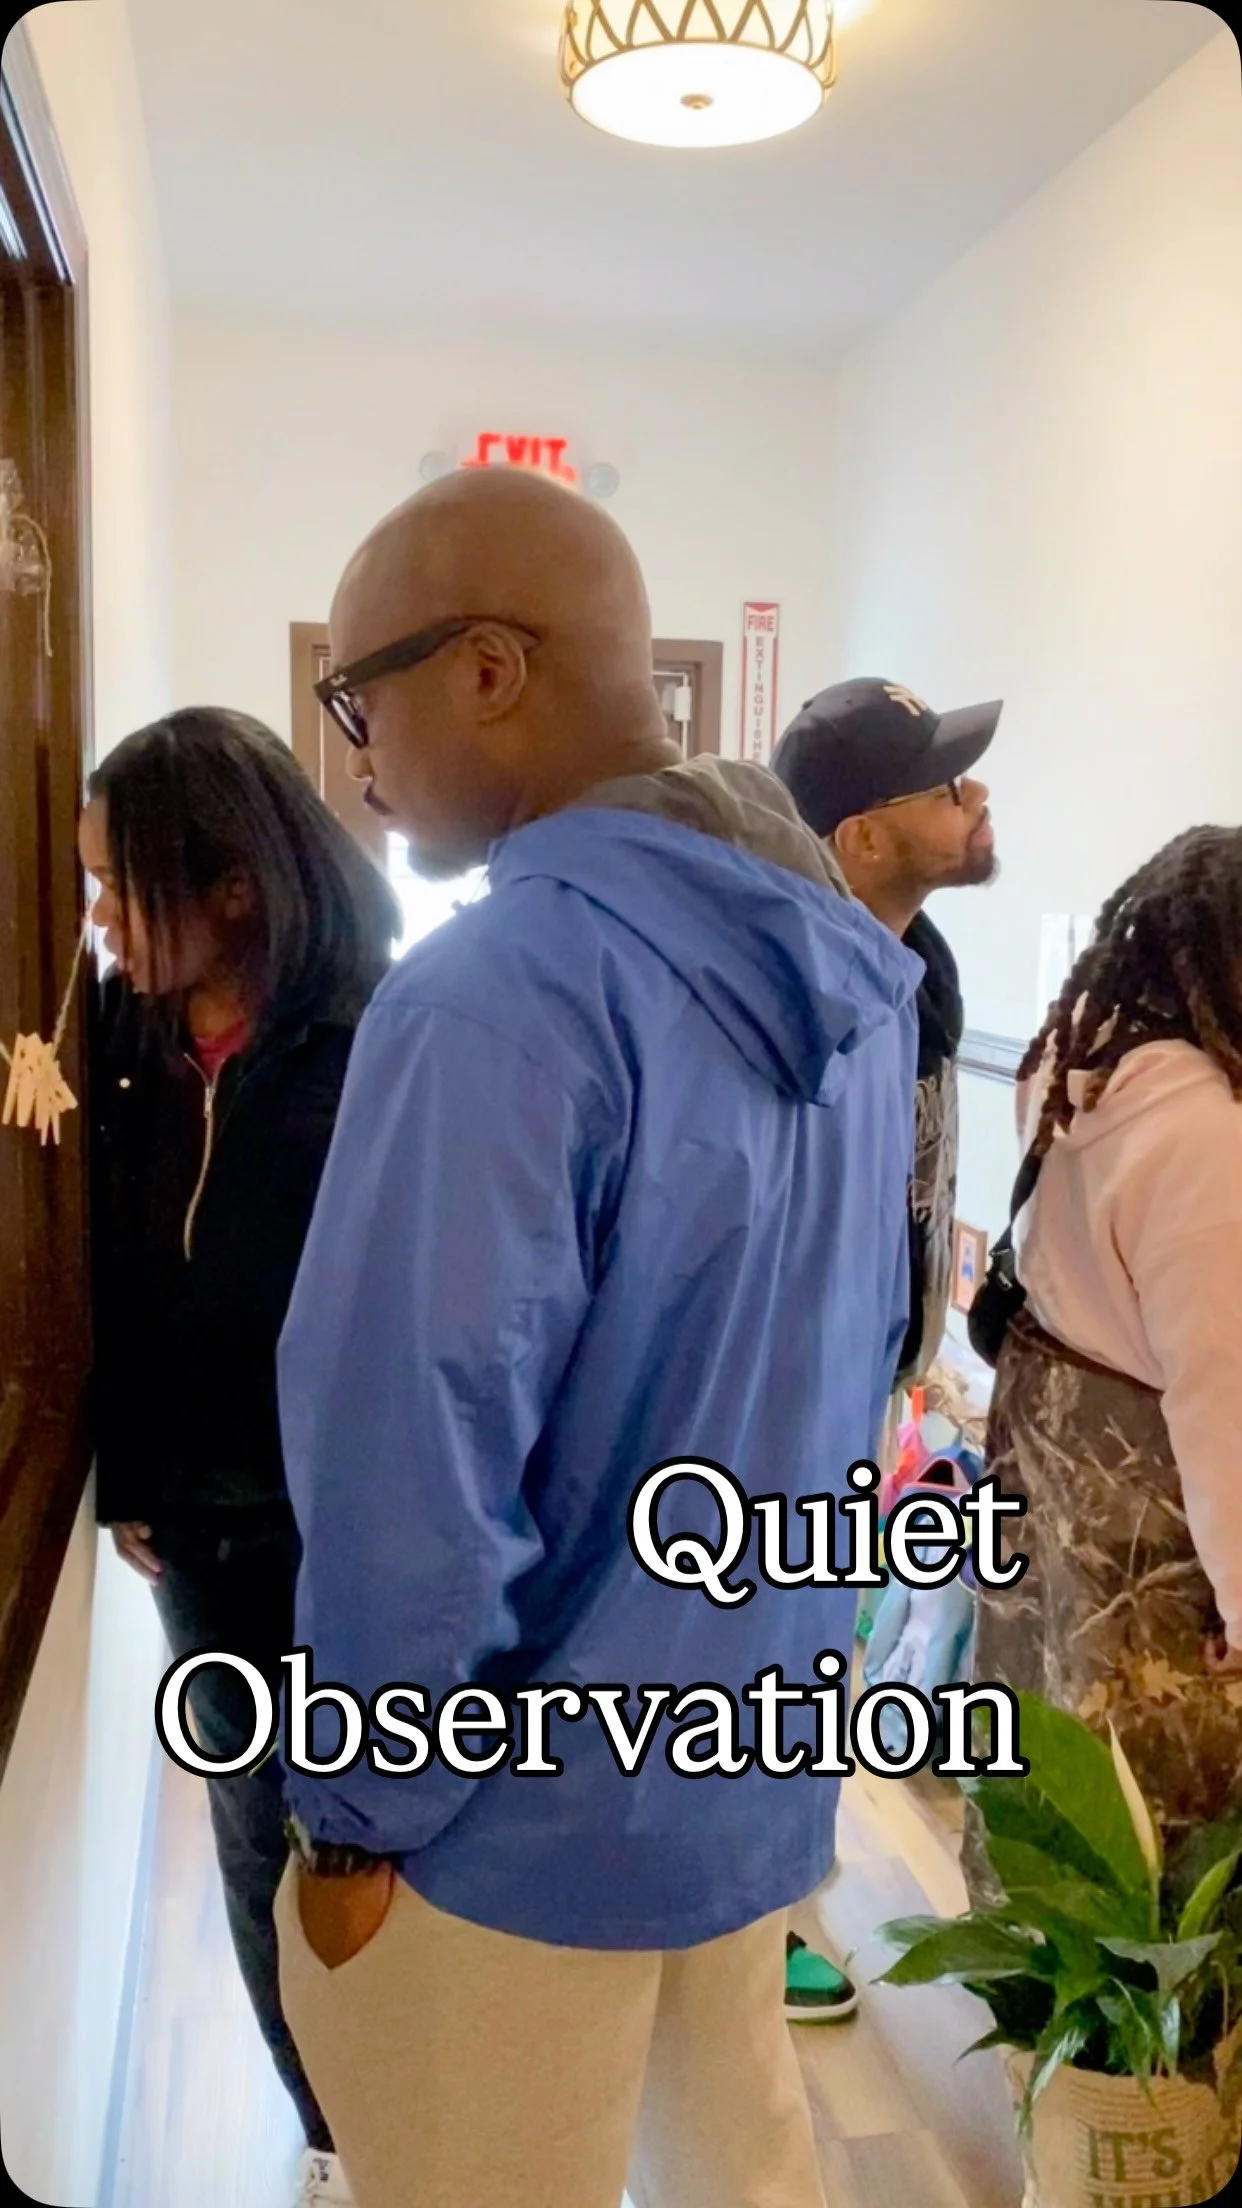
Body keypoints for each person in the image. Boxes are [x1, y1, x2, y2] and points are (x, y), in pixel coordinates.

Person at [272, 465, 922, 2208]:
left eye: (363, 699)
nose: (357, 758)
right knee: (740, 2166)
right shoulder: (855, 988)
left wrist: (353, 1814)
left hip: (515, 1829)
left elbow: (410, 1458)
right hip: (741, 1764)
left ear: (488, 670)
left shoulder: (491, 994)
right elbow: (857, 1370)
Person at [83, 708, 399, 2208]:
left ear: (229, 890)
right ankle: (333, 2135)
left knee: (381, 1839)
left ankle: (423, 2122)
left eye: (116, 883)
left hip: (358, 1536)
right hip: (200, 1546)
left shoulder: (378, 1049)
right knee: (255, 1843)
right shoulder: (117, 1047)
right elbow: (98, 1286)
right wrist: (131, 1468)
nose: (95, 917)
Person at [770, 674, 1000, 2018]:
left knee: (821, 1650)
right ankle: (757, 1924)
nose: (978, 798)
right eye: (945, 785)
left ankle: (779, 1901)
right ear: (860, 837)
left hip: (862, 1375)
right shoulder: (800, 993)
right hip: (782, 1394)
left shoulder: (920, 972)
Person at [968, 823, 1242, 1889]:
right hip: (1153, 1535)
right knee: (1150, 1836)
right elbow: (1223, 1402)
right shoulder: (1208, 1136)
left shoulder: (1088, 1057)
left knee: (1049, 1757)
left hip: (1055, 1476)